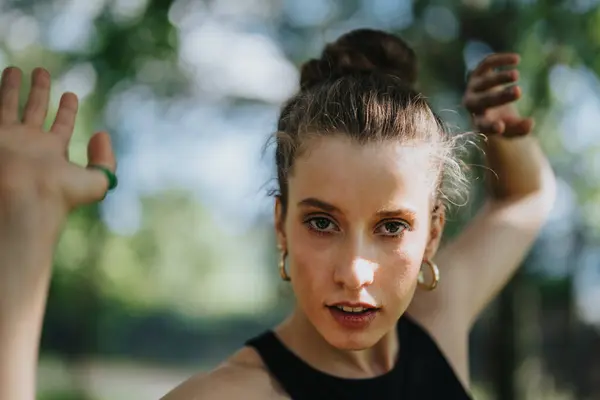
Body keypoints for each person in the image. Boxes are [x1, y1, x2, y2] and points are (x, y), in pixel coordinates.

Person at [0, 29, 555, 400]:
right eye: (322, 222)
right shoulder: (229, 396)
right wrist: (28, 223)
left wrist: (501, 131)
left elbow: (524, 200)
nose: (355, 272)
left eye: (391, 227)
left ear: (432, 233)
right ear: (280, 224)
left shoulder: (439, 320)